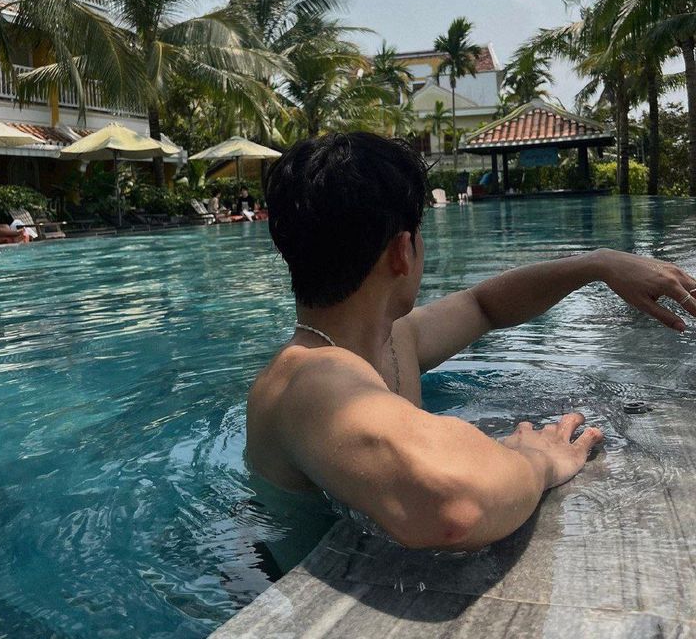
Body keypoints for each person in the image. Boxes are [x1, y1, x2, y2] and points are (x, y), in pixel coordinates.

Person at [247, 132, 696, 551]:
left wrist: (598, 264)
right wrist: (536, 461)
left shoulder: (392, 337)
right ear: (403, 251)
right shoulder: (308, 378)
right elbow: (454, 507)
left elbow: (484, 305)